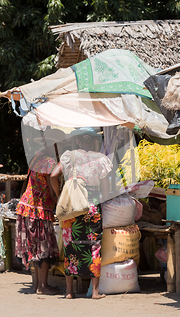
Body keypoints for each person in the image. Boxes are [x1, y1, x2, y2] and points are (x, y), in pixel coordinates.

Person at [51, 127, 112, 300]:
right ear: (93, 141)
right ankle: (95, 292)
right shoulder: (101, 159)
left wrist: (59, 196)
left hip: (71, 208)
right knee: (94, 246)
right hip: (92, 207)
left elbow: (54, 175)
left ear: (77, 140)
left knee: (70, 245)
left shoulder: (68, 156)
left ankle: (69, 292)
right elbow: (106, 189)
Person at [15, 128, 65, 295]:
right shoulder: (50, 163)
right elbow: (51, 190)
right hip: (39, 210)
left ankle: (37, 284)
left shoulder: (35, 158)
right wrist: (60, 201)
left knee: (34, 248)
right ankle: (42, 287)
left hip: (26, 208)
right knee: (44, 248)